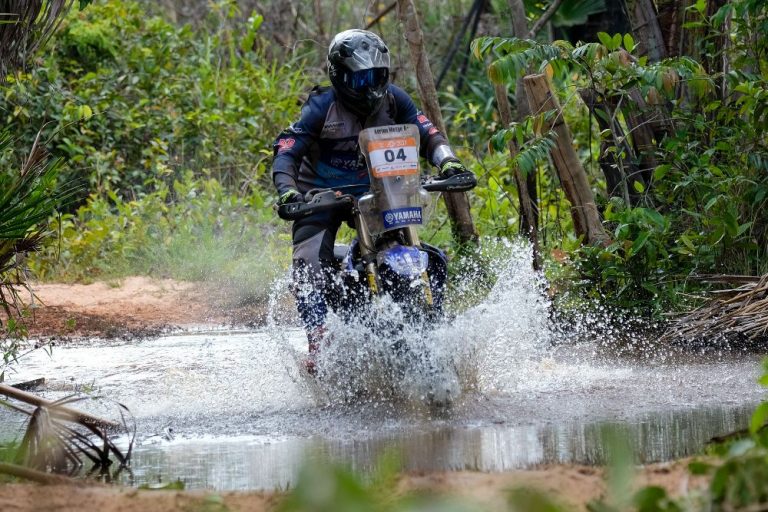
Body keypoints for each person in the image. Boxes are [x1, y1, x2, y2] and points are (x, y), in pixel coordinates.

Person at [271, 29, 473, 371]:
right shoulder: (322, 107)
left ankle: (433, 321)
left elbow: (428, 133)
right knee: (307, 262)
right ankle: (318, 339)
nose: (369, 87)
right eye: (359, 78)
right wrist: (288, 190)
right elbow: (287, 150)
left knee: (429, 257)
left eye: (375, 77)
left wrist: (448, 161)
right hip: (321, 195)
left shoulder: (394, 100)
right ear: (339, 76)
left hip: (379, 190)